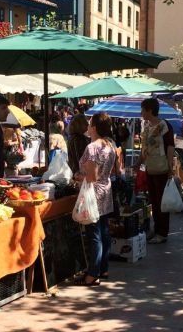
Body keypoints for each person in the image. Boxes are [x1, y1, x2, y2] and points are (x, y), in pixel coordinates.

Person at [74, 112, 118, 286]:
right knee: (104, 232)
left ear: (94, 128)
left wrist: (78, 176)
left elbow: (91, 176)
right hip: (105, 191)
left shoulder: (93, 147)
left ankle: (92, 274)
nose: (87, 127)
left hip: (94, 194)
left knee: (95, 234)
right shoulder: (110, 146)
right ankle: (102, 268)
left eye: (90, 124)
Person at [137, 98, 175, 245]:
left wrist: (170, 166)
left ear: (150, 110)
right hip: (150, 168)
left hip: (161, 168)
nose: (141, 113)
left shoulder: (164, 125)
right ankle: (157, 228)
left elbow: (170, 146)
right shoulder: (146, 127)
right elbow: (144, 149)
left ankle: (162, 232)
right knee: (154, 201)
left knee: (161, 201)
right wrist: (138, 163)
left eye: (143, 110)